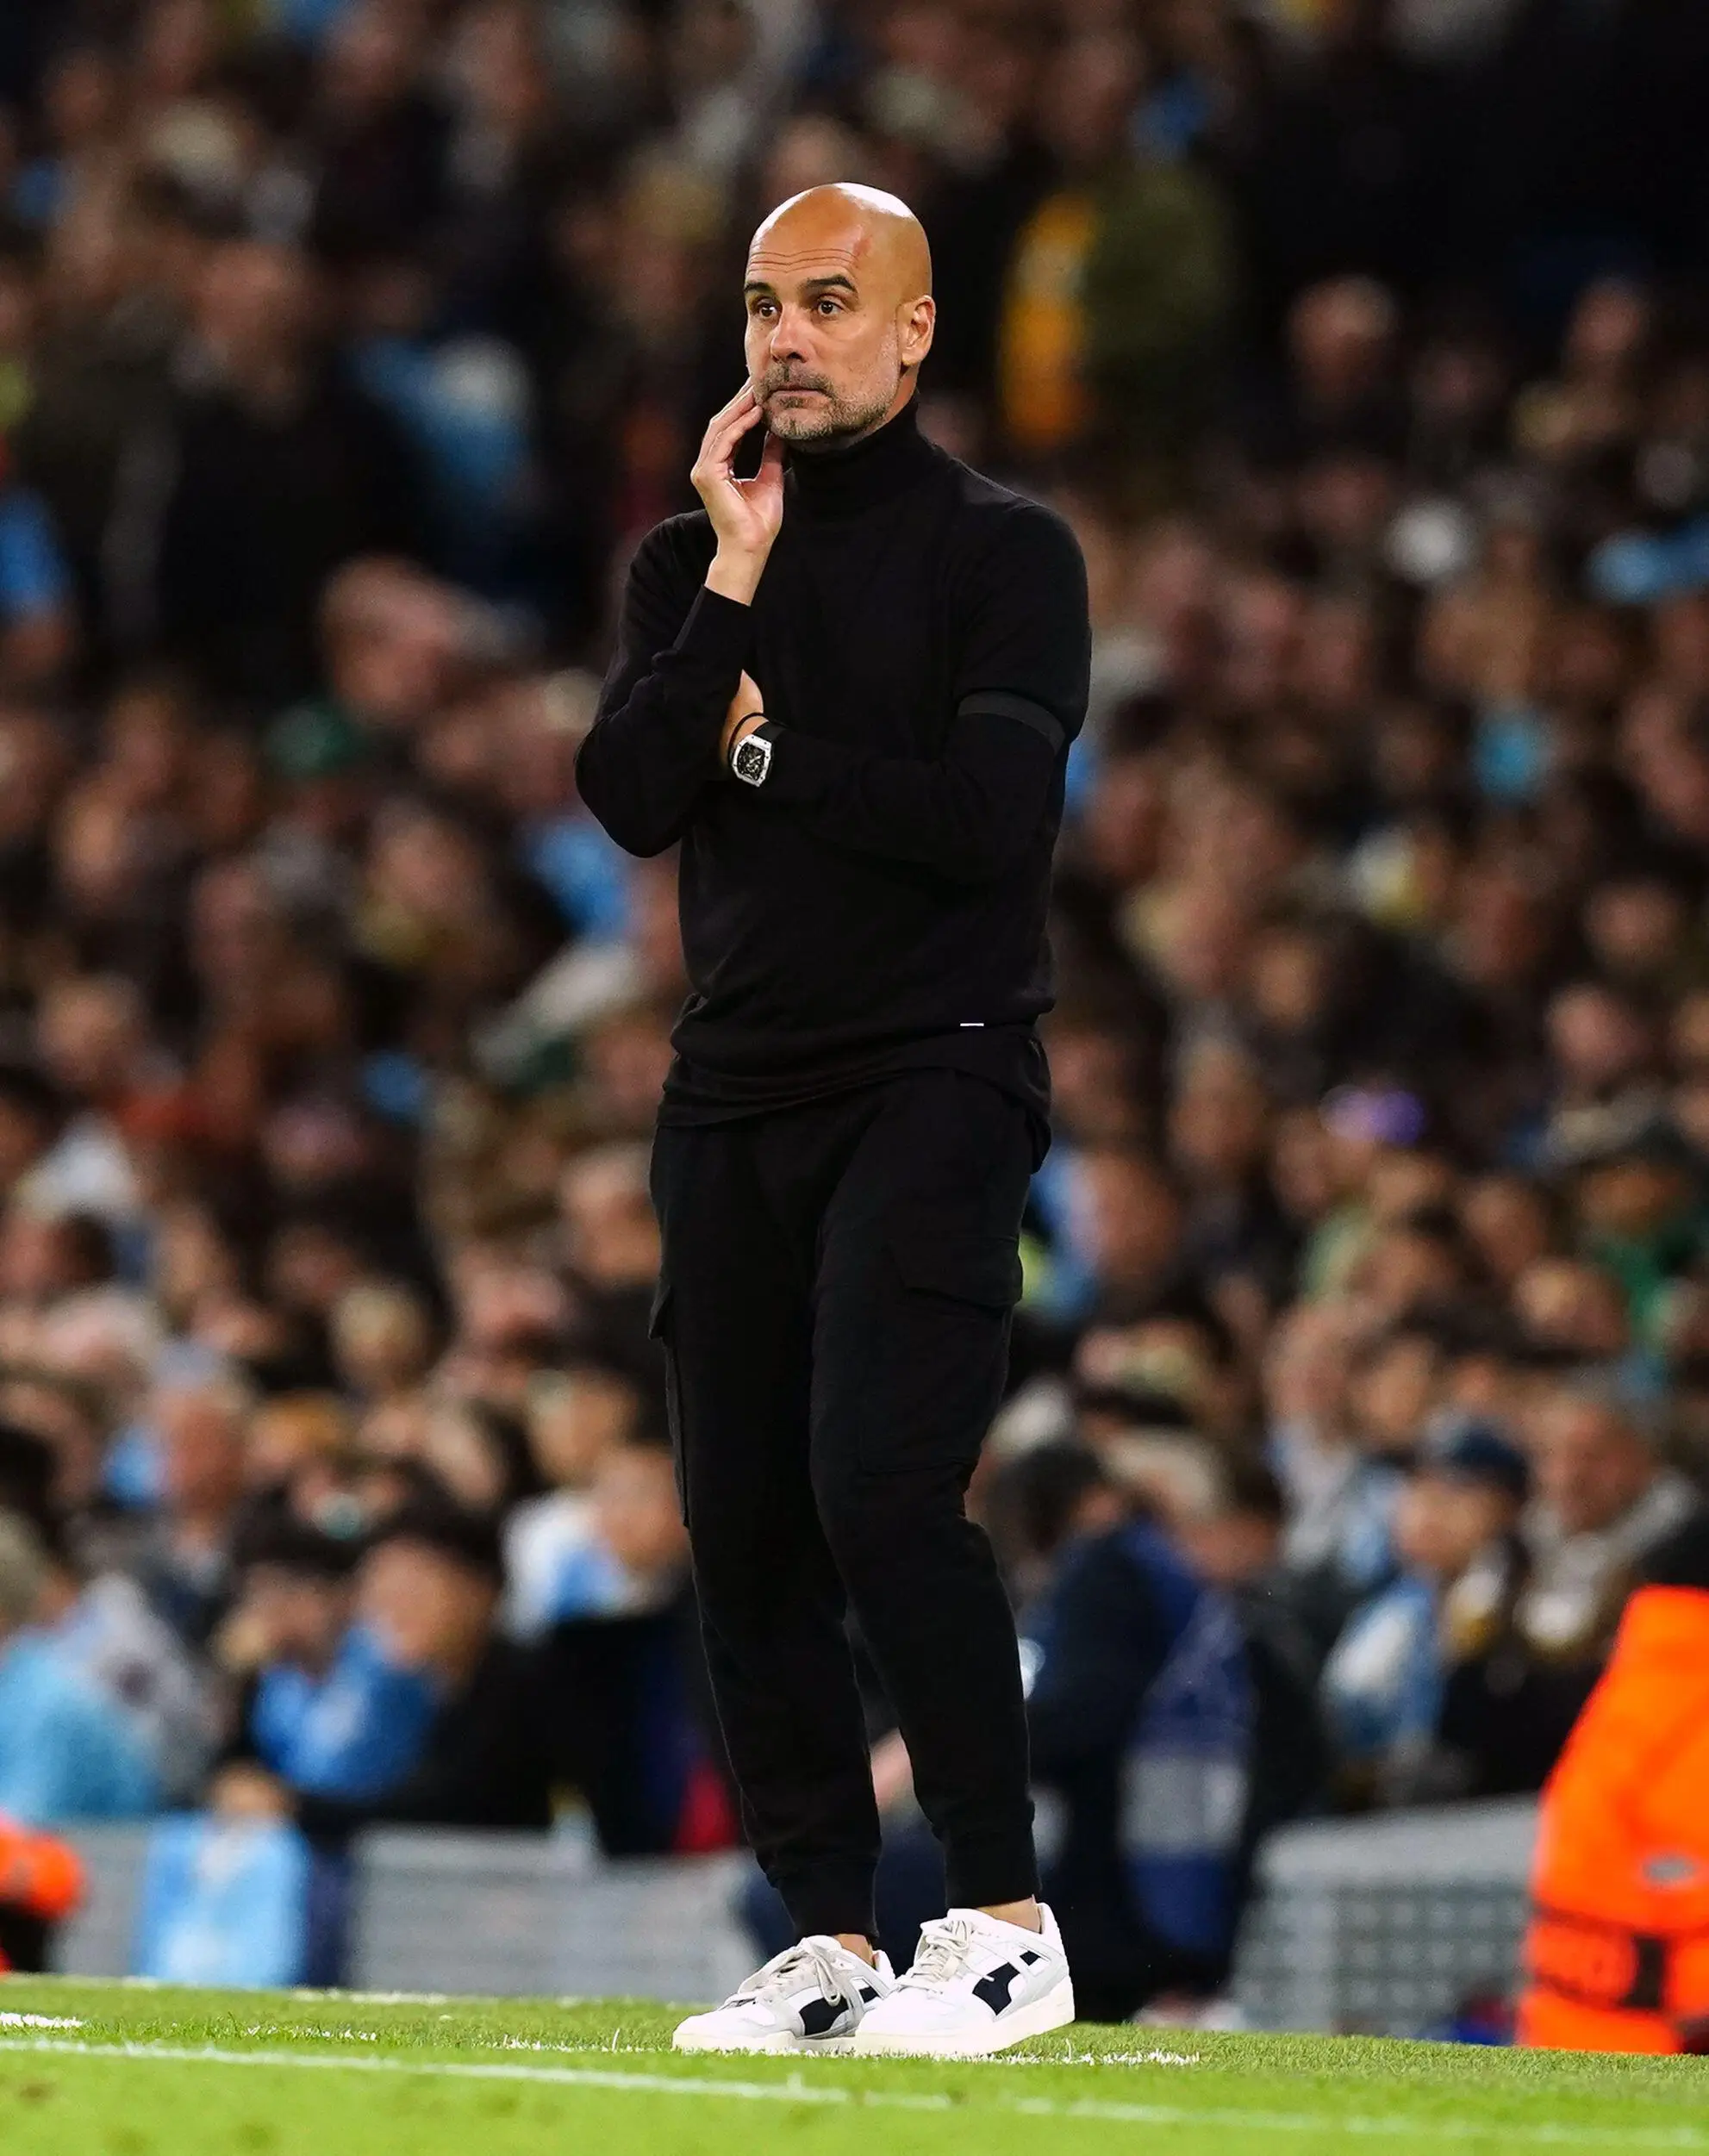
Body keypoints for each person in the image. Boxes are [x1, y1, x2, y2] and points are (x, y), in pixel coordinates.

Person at [577, 181, 1089, 2059]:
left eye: (825, 301)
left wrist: (767, 754)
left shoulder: (1006, 554)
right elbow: (632, 792)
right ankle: (826, 1936)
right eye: (761, 304)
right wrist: (726, 578)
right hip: (733, 1087)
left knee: (880, 1480)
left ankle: (1008, 1919)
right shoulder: (688, 564)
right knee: (745, 1519)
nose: (783, 335)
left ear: (916, 329)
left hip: (937, 1063)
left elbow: (989, 826)